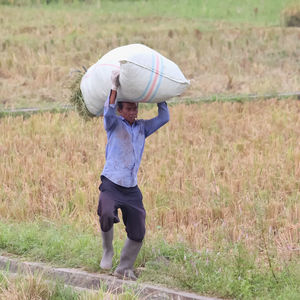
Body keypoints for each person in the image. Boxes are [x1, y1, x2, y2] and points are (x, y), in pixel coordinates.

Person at [97, 70, 170, 280]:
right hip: (111, 182)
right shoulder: (113, 124)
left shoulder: (142, 128)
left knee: (138, 229)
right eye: (129, 109)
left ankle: (124, 268)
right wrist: (114, 86)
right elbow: (108, 111)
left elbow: (164, 117)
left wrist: (160, 94)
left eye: (135, 108)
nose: (133, 112)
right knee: (106, 212)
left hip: (131, 188)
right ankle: (107, 251)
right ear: (120, 110)